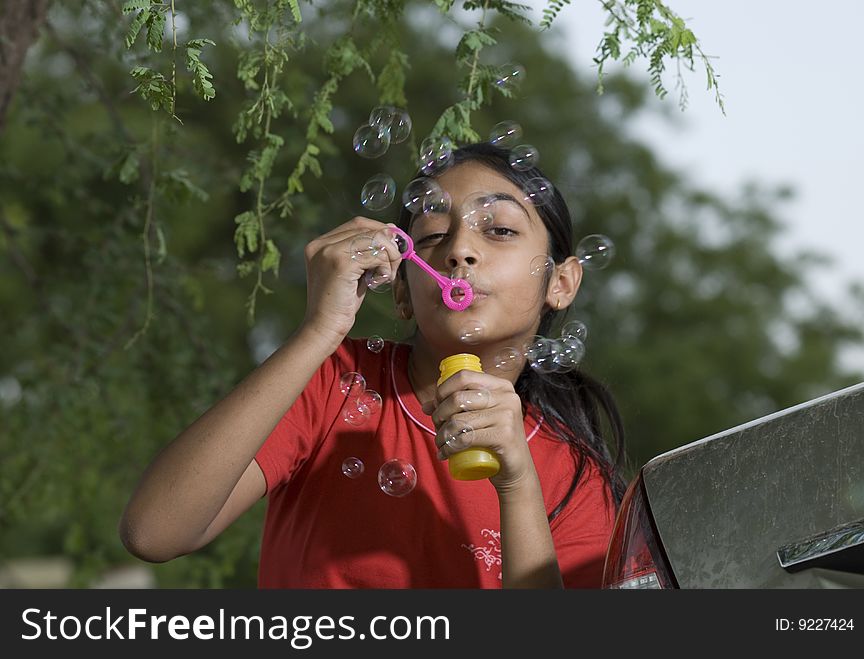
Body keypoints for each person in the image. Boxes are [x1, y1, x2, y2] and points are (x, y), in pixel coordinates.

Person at [119, 141, 628, 588]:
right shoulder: (337, 381)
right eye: (431, 237)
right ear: (403, 293)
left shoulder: (577, 477)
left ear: (561, 282)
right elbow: (155, 532)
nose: (460, 251)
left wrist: (516, 483)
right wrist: (318, 332)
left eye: (497, 229)